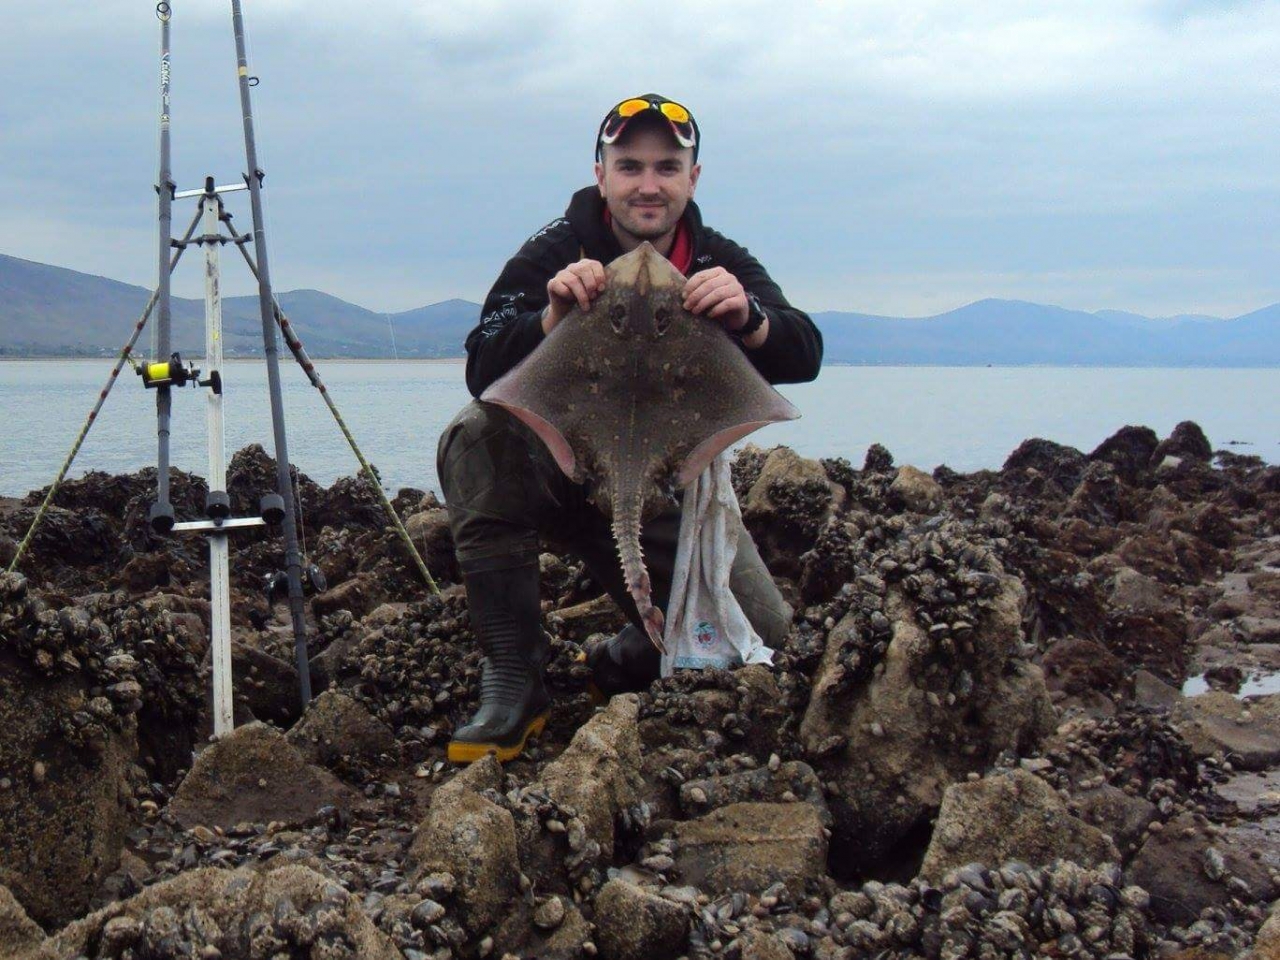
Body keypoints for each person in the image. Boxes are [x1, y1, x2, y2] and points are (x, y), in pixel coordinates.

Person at [437, 94, 823, 763]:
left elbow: (805, 352)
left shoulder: (715, 256)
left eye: (667, 167)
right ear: (601, 175)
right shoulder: (555, 249)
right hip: (557, 465)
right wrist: (551, 317)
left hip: (661, 487)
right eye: (630, 166)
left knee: (764, 643)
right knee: (476, 434)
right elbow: (483, 364)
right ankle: (514, 678)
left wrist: (749, 317)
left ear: (692, 179)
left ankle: (623, 659)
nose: (648, 184)